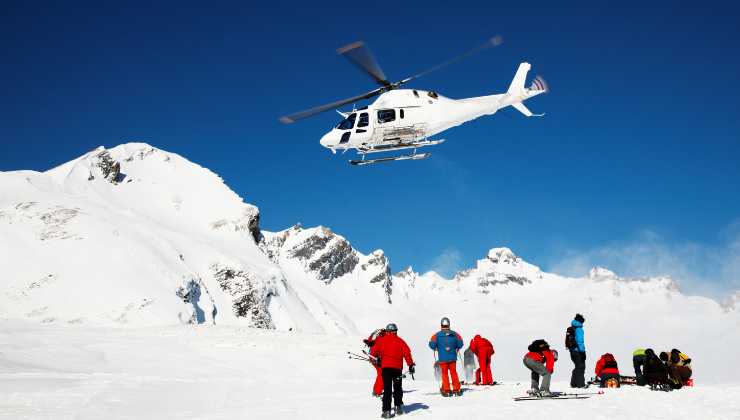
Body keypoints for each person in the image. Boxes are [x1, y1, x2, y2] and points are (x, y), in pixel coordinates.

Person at [371, 323, 415, 418]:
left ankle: (386, 411)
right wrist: (410, 365)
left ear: (387, 331)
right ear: (395, 331)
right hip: (397, 369)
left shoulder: (381, 340)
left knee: (387, 389)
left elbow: (373, 352)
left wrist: (377, 359)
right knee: (398, 388)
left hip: (386, 368)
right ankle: (398, 406)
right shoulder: (401, 341)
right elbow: (407, 354)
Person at [428, 317, 464, 396]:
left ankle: (447, 389)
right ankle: (456, 389)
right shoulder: (455, 334)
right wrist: (455, 347)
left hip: (442, 358)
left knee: (444, 373)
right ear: (449, 324)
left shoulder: (436, 335)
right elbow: (460, 343)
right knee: (453, 373)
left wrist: (437, 347)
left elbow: (431, 344)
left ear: (441, 325)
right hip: (452, 357)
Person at [363, 328, 386, 397]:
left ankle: (378, 389)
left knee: (381, 373)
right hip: (376, 358)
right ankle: (377, 391)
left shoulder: (377, 336)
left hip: (373, 357)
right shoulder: (381, 338)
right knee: (382, 373)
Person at [569, 313, 587, 388]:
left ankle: (574, 383)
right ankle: (581, 384)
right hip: (578, 351)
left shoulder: (572, 327)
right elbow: (580, 341)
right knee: (581, 366)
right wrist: (583, 352)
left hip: (572, 351)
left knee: (577, 366)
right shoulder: (579, 329)